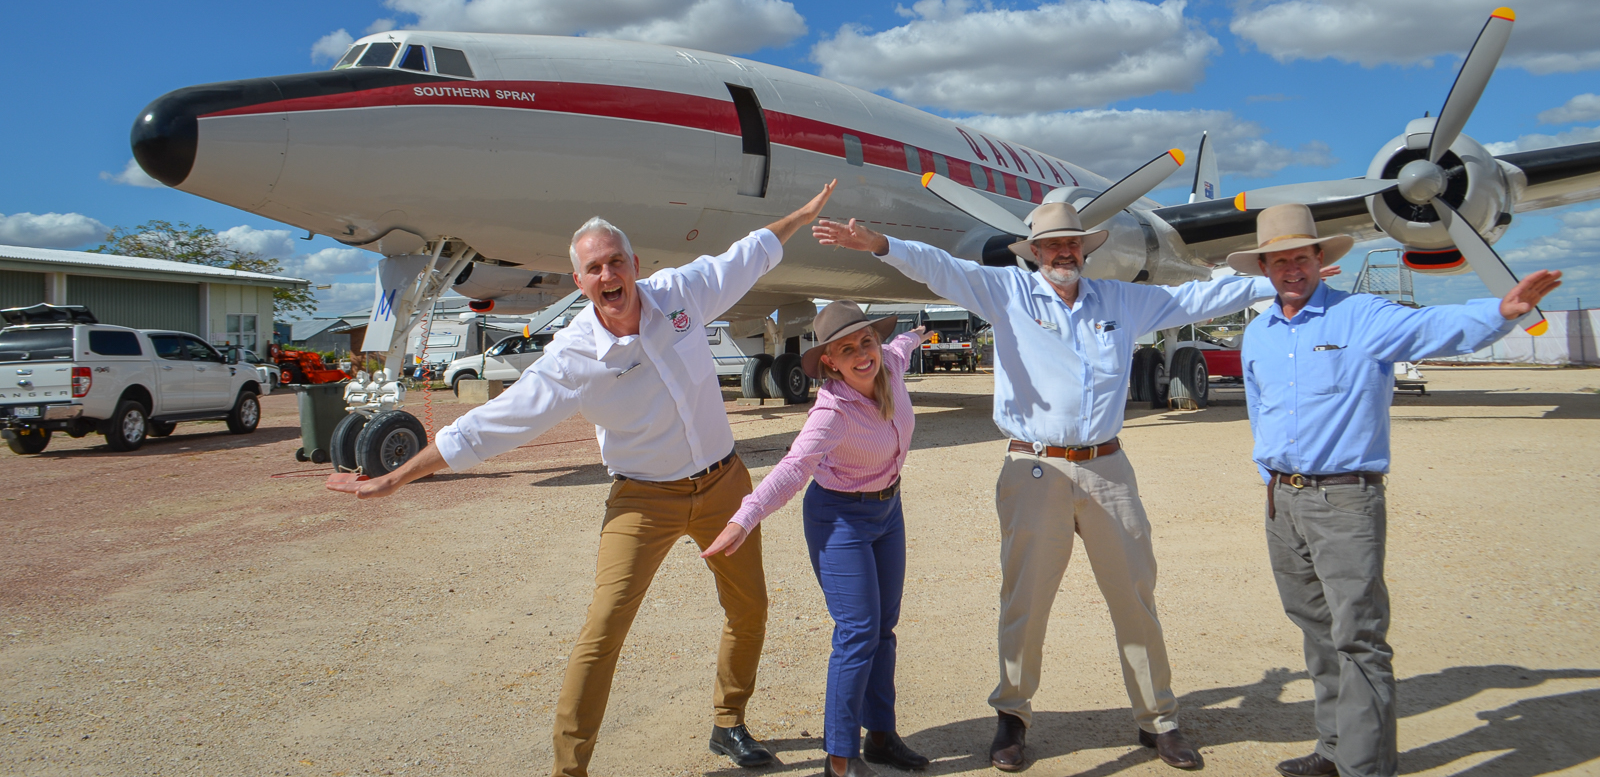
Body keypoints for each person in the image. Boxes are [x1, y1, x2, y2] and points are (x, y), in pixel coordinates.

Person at [329, 180, 837, 777]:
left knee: (750, 609)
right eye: (594, 268)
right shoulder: (573, 355)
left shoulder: (680, 294)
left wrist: (801, 216)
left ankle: (729, 725)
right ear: (581, 282)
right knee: (603, 630)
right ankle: (569, 769)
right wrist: (398, 477)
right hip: (644, 499)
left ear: (634, 265)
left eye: (615, 261)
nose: (607, 274)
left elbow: (746, 254)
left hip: (725, 484)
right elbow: (494, 423)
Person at [815, 202, 1281, 771]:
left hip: (1108, 468)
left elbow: (1197, 298)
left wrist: (1271, 278)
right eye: (1052, 244)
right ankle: (1012, 718)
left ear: (1086, 248)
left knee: (1135, 596)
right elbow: (940, 267)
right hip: (1033, 467)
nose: (1064, 252)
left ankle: (1159, 720)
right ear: (1034, 252)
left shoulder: (1120, 300)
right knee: (1025, 601)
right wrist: (880, 244)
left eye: (1073, 243)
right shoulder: (1007, 292)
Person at [1231, 204, 1561, 777]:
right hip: (1282, 499)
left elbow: (1431, 327)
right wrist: (1268, 481)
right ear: (1264, 266)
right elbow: (1261, 409)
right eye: (1278, 260)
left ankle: (1366, 768)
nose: (1290, 269)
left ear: (1319, 259)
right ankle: (1334, 749)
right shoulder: (1257, 333)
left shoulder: (1362, 316)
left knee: (1358, 637)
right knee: (1315, 629)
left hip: (1345, 500)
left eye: (1300, 257)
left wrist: (1501, 312)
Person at [701, 302, 932, 777]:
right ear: (829, 361)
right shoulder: (831, 412)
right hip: (839, 518)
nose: (861, 354)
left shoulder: (888, 361)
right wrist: (743, 519)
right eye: (846, 349)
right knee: (857, 632)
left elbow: (902, 346)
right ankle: (840, 759)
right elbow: (792, 469)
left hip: (889, 511)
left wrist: (918, 334)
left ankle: (881, 737)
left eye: (865, 341)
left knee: (884, 628)